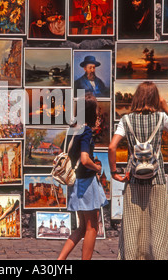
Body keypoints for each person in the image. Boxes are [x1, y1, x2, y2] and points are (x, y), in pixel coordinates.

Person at [108, 81, 168, 260]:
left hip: (133, 179)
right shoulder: (161, 118)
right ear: (155, 98)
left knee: (133, 224)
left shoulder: (126, 120)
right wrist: (166, 108)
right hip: (156, 180)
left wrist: (113, 173)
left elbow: (112, 147)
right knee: (158, 223)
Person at [58, 92, 108, 260]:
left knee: (81, 227)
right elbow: (86, 160)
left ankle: (60, 260)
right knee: (92, 227)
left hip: (74, 182)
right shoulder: (86, 131)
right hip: (86, 182)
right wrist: (97, 168)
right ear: (91, 111)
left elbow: (62, 151)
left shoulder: (72, 128)